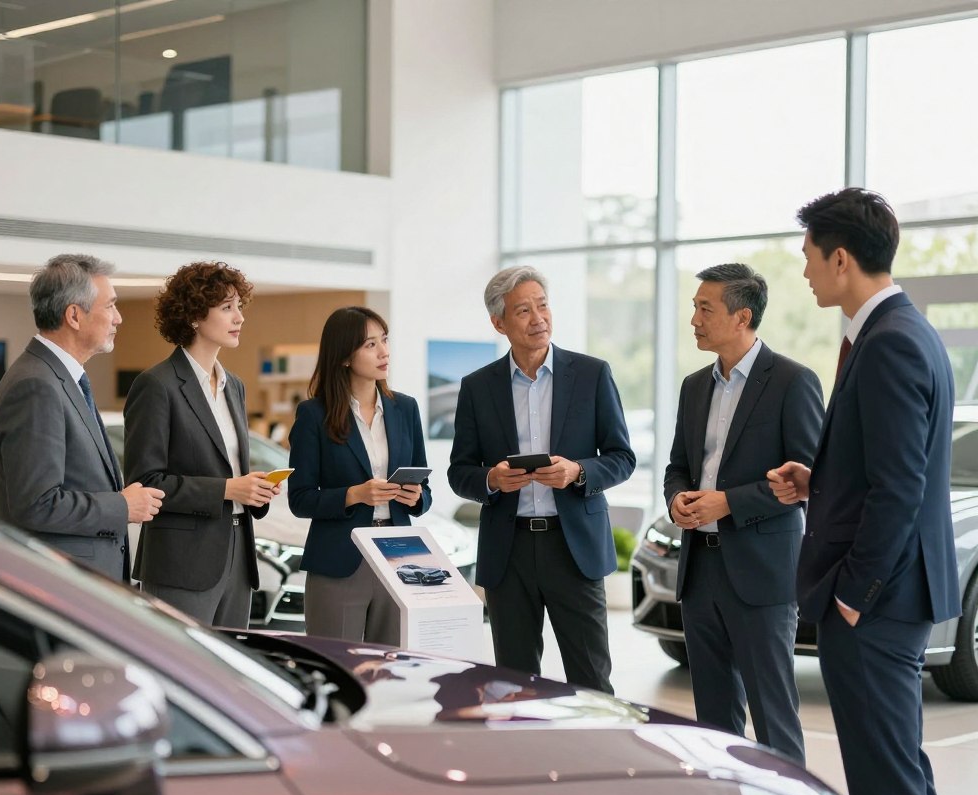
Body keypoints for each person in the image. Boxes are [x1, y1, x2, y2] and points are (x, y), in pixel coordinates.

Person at [768, 188, 957, 795]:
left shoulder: (889, 344)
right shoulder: (887, 334)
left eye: (809, 255)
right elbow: (880, 474)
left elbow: (901, 490)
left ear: (842, 257)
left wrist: (850, 599)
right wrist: (822, 481)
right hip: (885, 598)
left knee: (889, 788)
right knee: (897, 780)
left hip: (877, 605)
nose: (804, 269)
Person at [448, 265, 634, 691]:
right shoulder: (477, 387)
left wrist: (579, 471)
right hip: (507, 551)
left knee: (591, 681)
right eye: (523, 311)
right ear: (499, 322)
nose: (538, 318)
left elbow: (623, 457)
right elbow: (460, 471)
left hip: (573, 550)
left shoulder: (591, 374)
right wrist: (491, 480)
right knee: (513, 683)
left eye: (543, 305)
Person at [665, 264, 824, 764]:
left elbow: (810, 479)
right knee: (713, 721)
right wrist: (678, 498)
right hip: (700, 570)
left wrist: (729, 503)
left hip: (761, 573)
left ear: (742, 316)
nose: (693, 318)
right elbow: (677, 466)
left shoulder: (793, 382)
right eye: (694, 306)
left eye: (704, 308)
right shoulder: (694, 386)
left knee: (774, 715)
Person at [123, 261, 280, 628]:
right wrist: (227, 489)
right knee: (180, 673)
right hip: (182, 563)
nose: (239, 317)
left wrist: (252, 489)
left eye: (239, 306)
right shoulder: (157, 385)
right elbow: (146, 481)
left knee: (228, 673)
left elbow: (229, 470)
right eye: (227, 308)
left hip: (238, 557)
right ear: (194, 316)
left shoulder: (234, 387)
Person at [0, 253, 163, 581]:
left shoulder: (58, 378)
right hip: (56, 585)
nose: (119, 318)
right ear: (74, 315)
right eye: (110, 306)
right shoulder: (36, 385)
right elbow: (36, 504)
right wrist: (122, 507)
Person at [287, 306, 431, 644]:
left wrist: (416, 497)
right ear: (344, 357)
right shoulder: (313, 414)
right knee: (337, 669)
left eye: (384, 340)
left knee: (391, 668)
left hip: (398, 558)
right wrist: (354, 494)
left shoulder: (405, 408)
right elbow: (300, 498)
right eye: (370, 345)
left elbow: (424, 490)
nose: (384, 352)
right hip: (340, 559)